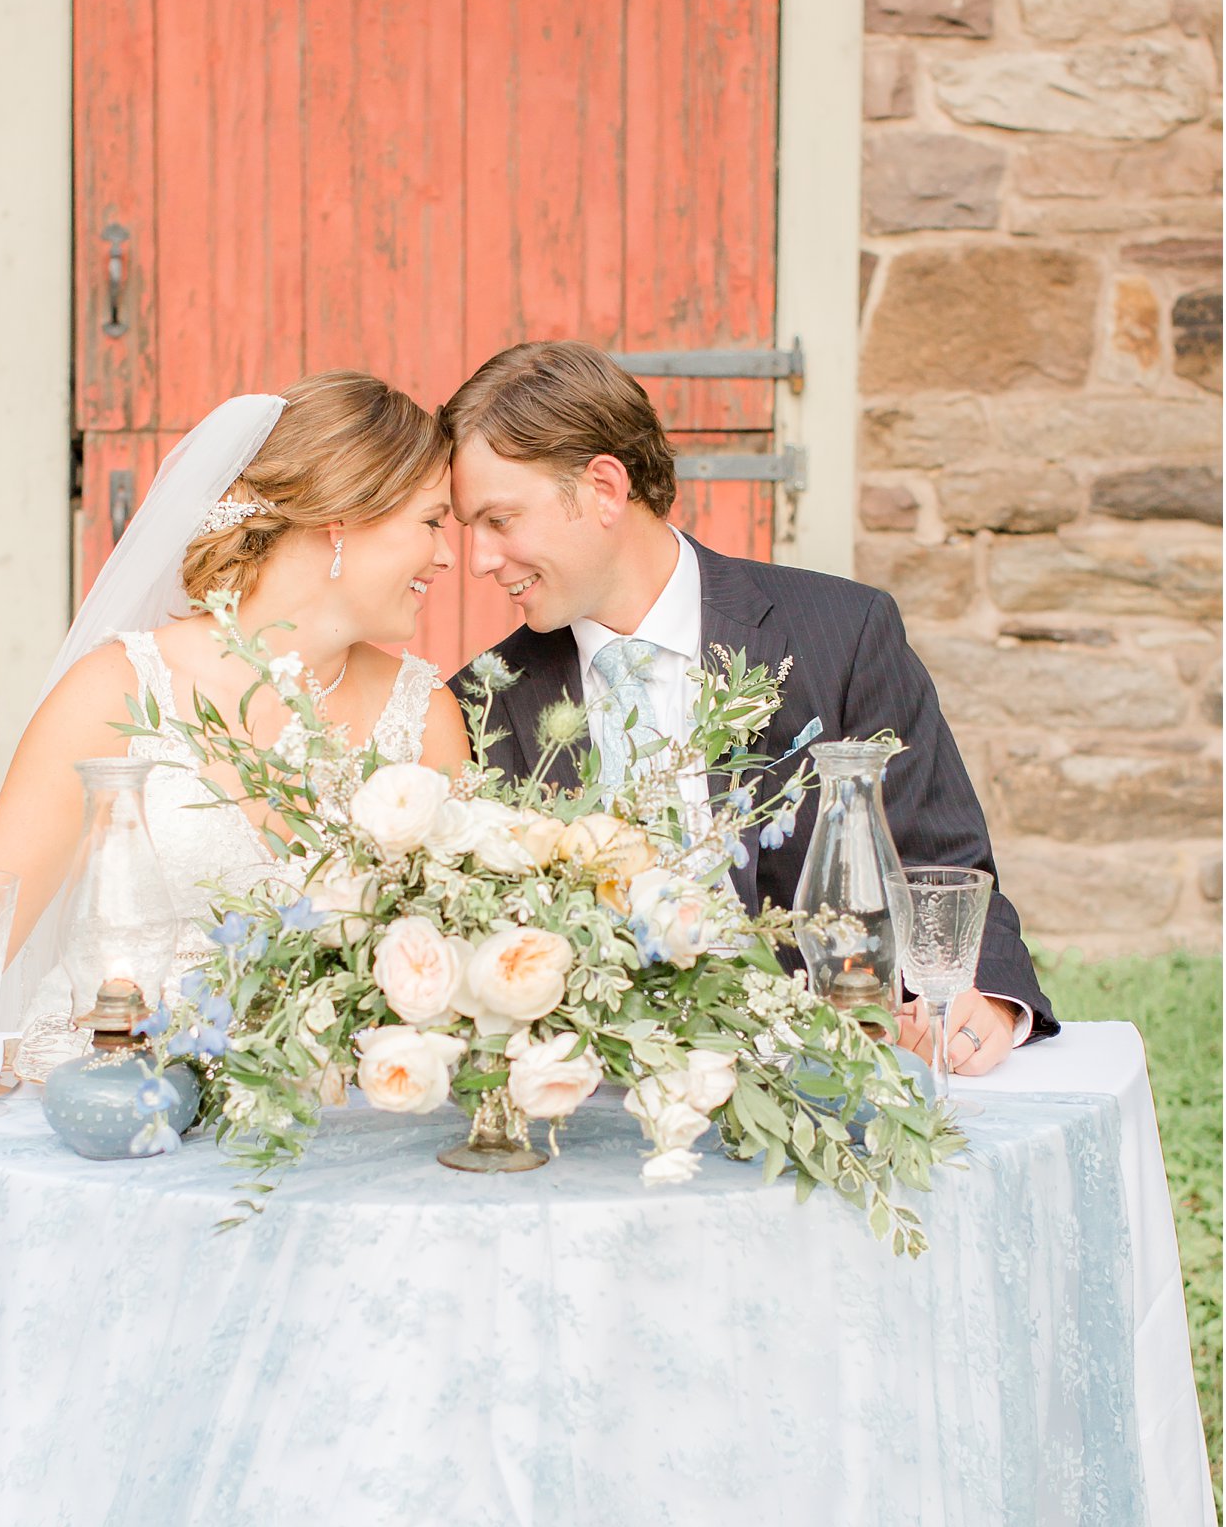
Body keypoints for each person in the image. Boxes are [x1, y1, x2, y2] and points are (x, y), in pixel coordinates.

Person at [0, 373, 469, 1162]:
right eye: (430, 522)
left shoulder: (424, 715)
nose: (448, 554)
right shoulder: (116, 689)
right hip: (110, 1112)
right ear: (342, 520)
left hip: (339, 1131)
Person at [442, 340, 1055, 1071]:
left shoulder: (842, 634)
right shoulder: (483, 701)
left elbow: (944, 860)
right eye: (465, 528)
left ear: (605, 488)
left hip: (818, 1092)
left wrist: (983, 995)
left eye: (499, 520)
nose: (476, 559)